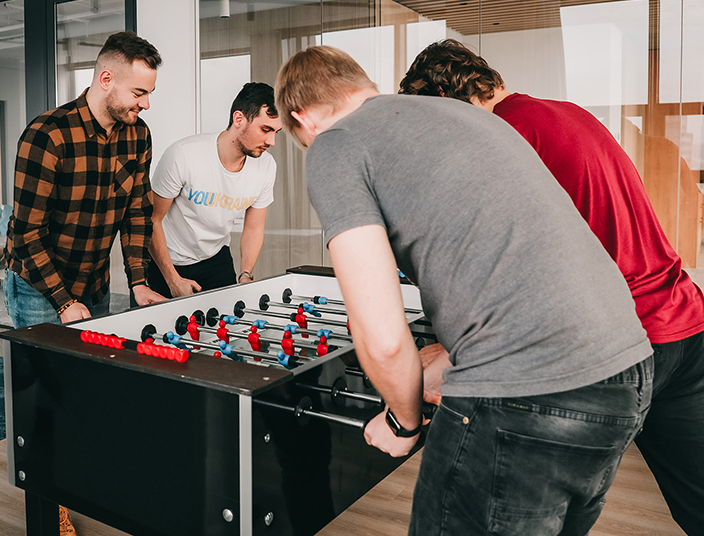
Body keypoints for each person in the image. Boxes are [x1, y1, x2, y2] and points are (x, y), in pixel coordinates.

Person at [275, 45, 653, 535]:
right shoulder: (463, 114)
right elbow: (528, 267)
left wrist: (402, 422)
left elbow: (380, 332)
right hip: (626, 373)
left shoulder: (335, 142)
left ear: (303, 119)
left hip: (527, 394)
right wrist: (453, 360)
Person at [399, 38, 704, 536]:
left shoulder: (504, 136)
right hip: (686, 327)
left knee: (545, 518)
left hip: (622, 344)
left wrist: (457, 353)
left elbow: (512, 268)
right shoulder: (566, 113)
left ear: (450, 101)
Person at [3, 31, 168, 535]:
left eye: (149, 96)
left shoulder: (137, 135)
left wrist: (138, 282)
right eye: (138, 93)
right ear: (105, 78)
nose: (143, 105)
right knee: (46, 399)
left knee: (85, 393)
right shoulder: (46, 135)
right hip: (40, 287)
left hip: (93, 283)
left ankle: (79, 480)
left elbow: (136, 213)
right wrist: (64, 301)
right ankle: (49, 505)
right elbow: (25, 233)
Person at [147, 82, 279, 298]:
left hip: (216, 258)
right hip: (167, 261)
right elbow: (153, 219)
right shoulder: (183, 155)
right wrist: (172, 280)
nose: (271, 141)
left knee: (224, 328)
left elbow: (253, 228)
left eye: (276, 132)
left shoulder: (266, 166)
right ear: (239, 119)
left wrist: (246, 274)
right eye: (265, 129)